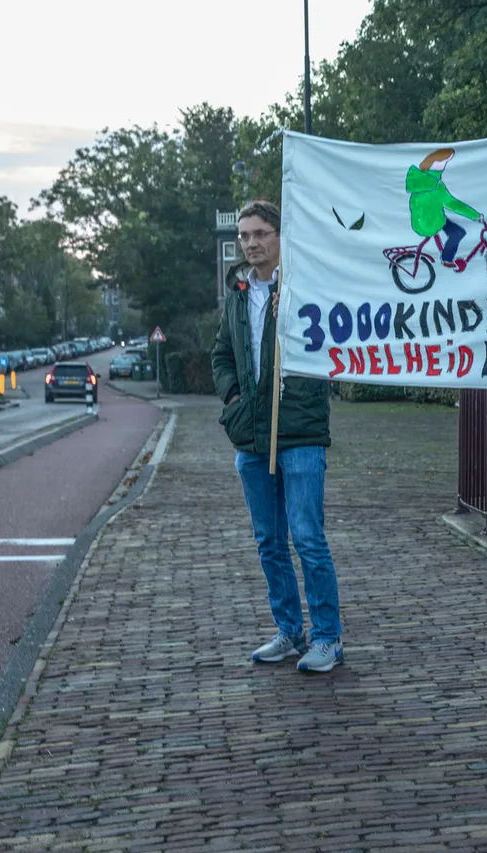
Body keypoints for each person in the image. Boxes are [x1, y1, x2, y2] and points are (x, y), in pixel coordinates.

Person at [211, 200, 343, 674]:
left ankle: (327, 637)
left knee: (307, 537)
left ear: (281, 236)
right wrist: (232, 401)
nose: (251, 243)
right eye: (245, 235)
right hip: (250, 437)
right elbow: (222, 353)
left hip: (301, 432)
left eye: (261, 233)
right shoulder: (238, 293)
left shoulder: (306, 287)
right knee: (269, 541)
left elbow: (335, 343)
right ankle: (290, 631)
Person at [406, 148, 483, 271]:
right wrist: (475, 216)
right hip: (432, 222)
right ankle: (447, 260)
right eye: (444, 162)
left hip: (419, 221)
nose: (444, 165)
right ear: (435, 164)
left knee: (449, 225)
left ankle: (446, 255)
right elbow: (453, 204)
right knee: (458, 233)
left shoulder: (419, 181)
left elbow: (414, 204)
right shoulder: (436, 186)